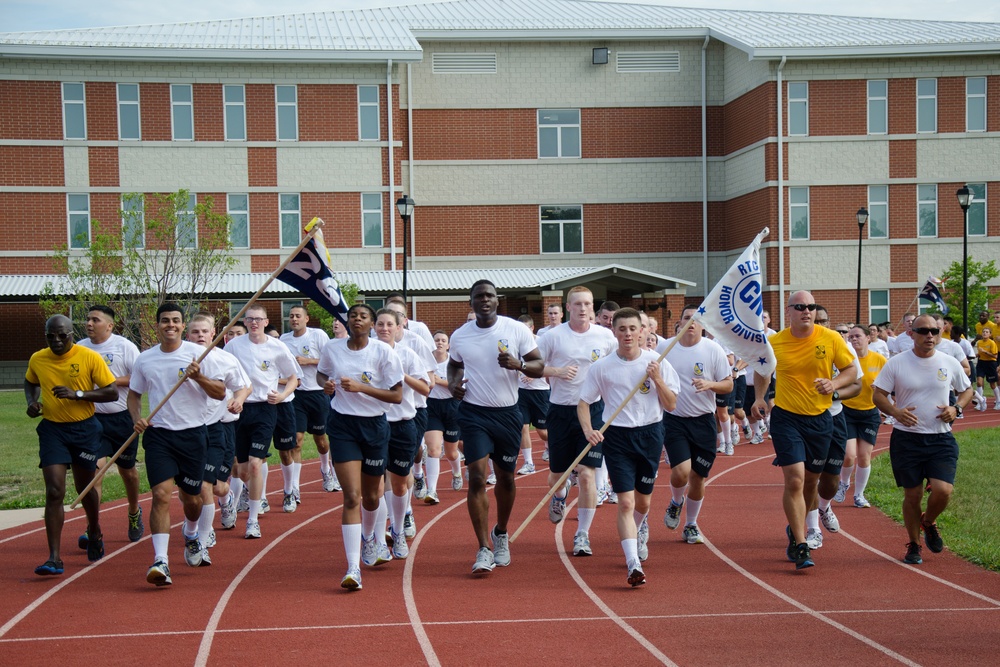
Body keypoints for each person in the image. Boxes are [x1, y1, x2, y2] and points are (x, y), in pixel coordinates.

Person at [751, 292, 857, 570]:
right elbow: (762, 372)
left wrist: (834, 384)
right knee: (796, 479)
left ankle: (795, 526)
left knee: (812, 482)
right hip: (787, 418)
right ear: (789, 311)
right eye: (800, 307)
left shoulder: (831, 338)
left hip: (821, 419)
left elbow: (851, 372)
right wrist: (760, 398)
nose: (806, 311)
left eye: (810, 306)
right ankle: (800, 544)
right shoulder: (774, 341)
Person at [579, 308, 679, 587]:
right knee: (625, 501)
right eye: (622, 329)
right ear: (614, 331)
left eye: (633, 329)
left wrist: (656, 378)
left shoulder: (656, 362)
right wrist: (589, 430)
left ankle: (640, 525)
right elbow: (584, 402)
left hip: (650, 434)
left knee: (643, 502)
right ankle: (633, 562)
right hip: (619, 437)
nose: (627, 334)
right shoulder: (602, 367)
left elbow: (671, 404)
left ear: (643, 331)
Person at [448, 279, 543, 574]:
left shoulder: (515, 329)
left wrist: (519, 365)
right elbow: (454, 364)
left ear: (497, 301)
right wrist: (453, 384)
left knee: (506, 478)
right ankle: (483, 549)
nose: (484, 300)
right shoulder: (461, 335)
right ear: (471, 303)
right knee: (476, 478)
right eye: (479, 297)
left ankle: (500, 532)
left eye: (489, 296)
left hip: (508, 414)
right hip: (474, 413)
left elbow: (539, 365)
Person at [128, 304, 226, 585]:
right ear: (156, 325)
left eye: (175, 320)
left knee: (192, 498)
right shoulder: (145, 359)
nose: (170, 325)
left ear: (183, 326)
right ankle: (161, 560)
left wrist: (199, 377)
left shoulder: (199, 354)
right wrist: (137, 418)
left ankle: (192, 532)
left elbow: (220, 392)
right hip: (159, 435)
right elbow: (133, 396)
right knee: (160, 494)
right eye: (164, 321)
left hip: (194, 435)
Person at [872, 314, 973, 564]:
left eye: (934, 331)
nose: (930, 336)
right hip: (907, 439)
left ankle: (927, 522)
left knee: (943, 491)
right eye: (924, 331)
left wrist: (957, 409)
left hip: (940, 439)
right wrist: (895, 412)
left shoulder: (949, 361)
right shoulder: (896, 363)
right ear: (911, 334)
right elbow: (878, 395)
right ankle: (914, 544)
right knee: (913, 495)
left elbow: (966, 390)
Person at [317, 304, 403, 590]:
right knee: (351, 496)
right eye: (353, 315)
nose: (357, 319)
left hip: (375, 426)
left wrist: (361, 387)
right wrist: (327, 385)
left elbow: (397, 395)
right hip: (342, 426)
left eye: (363, 316)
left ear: (371, 324)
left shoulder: (383, 352)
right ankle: (353, 566)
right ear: (348, 321)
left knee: (371, 497)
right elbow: (321, 374)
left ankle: (369, 538)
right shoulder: (332, 348)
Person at [25, 314, 117, 576]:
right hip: (53, 430)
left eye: (62, 335)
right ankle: (54, 557)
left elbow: (111, 391)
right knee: (54, 490)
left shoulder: (88, 357)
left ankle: (95, 529)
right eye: (50, 336)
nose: (56, 341)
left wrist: (78, 394)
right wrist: (32, 403)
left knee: (84, 487)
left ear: (72, 335)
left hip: (84, 429)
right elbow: (30, 382)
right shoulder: (38, 358)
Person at [535, 286, 616, 557]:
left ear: (593, 307)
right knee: (556, 477)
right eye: (578, 304)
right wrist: (556, 371)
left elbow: (619, 364)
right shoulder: (553, 336)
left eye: (588, 304)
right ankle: (559, 495)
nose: (583, 308)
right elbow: (533, 367)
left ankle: (582, 534)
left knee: (587, 474)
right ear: (567, 307)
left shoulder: (605, 336)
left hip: (593, 411)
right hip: (560, 410)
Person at [658, 305, 733, 546]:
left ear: (703, 325)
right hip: (675, 420)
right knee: (681, 471)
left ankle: (691, 524)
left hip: (703, 421)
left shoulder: (713, 350)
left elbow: (728, 384)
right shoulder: (665, 347)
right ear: (678, 323)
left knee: (698, 477)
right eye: (687, 318)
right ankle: (675, 502)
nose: (691, 322)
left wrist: (710, 385)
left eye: (697, 319)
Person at [223, 304, 299, 539]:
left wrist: (283, 395)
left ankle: (253, 520)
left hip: (266, 408)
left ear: (266, 322)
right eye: (249, 319)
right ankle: (230, 501)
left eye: (258, 319)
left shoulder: (278, 347)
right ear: (244, 323)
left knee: (256, 464)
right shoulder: (234, 346)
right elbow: (225, 375)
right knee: (242, 470)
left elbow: (294, 378)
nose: (254, 323)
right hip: (240, 410)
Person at [77, 305, 144, 544]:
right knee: (94, 470)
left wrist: (108, 381)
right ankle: (92, 526)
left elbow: (139, 378)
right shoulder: (80, 348)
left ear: (110, 325)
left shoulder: (125, 347)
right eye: (87, 319)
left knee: (127, 471)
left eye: (95, 319)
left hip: (122, 418)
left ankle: (134, 511)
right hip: (92, 419)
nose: (89, 324)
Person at [186, 313, 251, 550]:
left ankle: (208, 527)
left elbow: (244, 386)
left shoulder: (225, 359)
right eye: (195, 331)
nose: (200, 335)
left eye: (205, 331)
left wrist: (240, 400)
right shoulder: (176, 357)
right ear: (188, 334)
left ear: (213, 333)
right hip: (185, 431)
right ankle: (203, 521)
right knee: (191, 487)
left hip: (219, 427)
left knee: (212, 485)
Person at [372, 308, 429, 561]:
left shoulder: (408, 354)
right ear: (374, 327)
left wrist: (402, 374)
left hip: (403, 424)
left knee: (398, 482)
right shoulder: (366, 353)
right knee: (375, 483)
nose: (384, 328)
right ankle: (378, 537)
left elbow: (426, 388)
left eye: (389, 324)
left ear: (398, 328)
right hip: (373, 424)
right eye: (380, 324)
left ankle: (397, 530)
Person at [280, 306, 340, 494]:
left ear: (307, 318)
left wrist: (309, 361)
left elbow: (330, 360)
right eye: (291, 316)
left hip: (318, 393)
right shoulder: (284, 340)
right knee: (297, 440)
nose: (294, 319)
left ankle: (325, 469)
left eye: (298, 316)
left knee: (321, 440)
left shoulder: (318, 335)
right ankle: (294, 487)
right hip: (296, 395)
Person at [836, 325, 888, 509]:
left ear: (868, 338)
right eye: (850, 337)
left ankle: (859, 495)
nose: (853, 339)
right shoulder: (845, 360)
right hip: (848, 411)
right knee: (849, 456)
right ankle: (843, 483)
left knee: (864, 456)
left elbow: (889, 384)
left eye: (857, 336)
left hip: (869, 413)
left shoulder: (879, 359)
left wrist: (880, 388)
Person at [425, 330, 463, 491]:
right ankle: (431, 490)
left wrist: (439, 381)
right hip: (432, 406)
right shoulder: (425, 362)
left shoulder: (453, 364)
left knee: (451, 452)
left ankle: (457, 472)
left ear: (448, 345)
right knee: (433, 449)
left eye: (442, 340)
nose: (439, 343)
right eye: (436, 340)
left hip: (452, 407)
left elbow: (459, 387)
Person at [515, 314, 549, 476]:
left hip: (540, 392)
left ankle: (552, 446)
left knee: (543, 431)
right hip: (522, 392)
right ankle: (529, 462)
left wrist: (534, 373)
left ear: (532, 328)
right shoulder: (515, 343)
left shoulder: (542, 342)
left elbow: (549, 366)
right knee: (523, 427)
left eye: (526, 328)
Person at [974, 326, 998, 410]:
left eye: (987, 332)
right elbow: (980, 354)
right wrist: (975, 355)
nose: (984, 333)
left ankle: (998, 401)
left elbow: (995, 356)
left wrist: (985, 352)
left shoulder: (992, 343)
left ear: (990, 334)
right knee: (979, 382)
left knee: (992, 384)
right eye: (983, 331)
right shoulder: (979, 342)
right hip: (981, 363)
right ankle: (980, 401)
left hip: (991, 363)